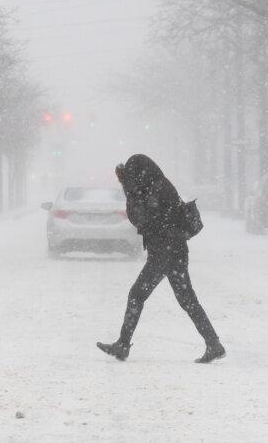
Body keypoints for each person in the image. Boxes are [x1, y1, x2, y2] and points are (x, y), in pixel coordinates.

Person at [96, 154, 225, 364]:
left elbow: (139, 218)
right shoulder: (159, 185)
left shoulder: (151, 190)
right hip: (175, 250)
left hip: (164, 252)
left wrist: (130, 190)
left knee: (137, 295)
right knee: (187, 300)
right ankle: (213, 343)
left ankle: (123, 345)